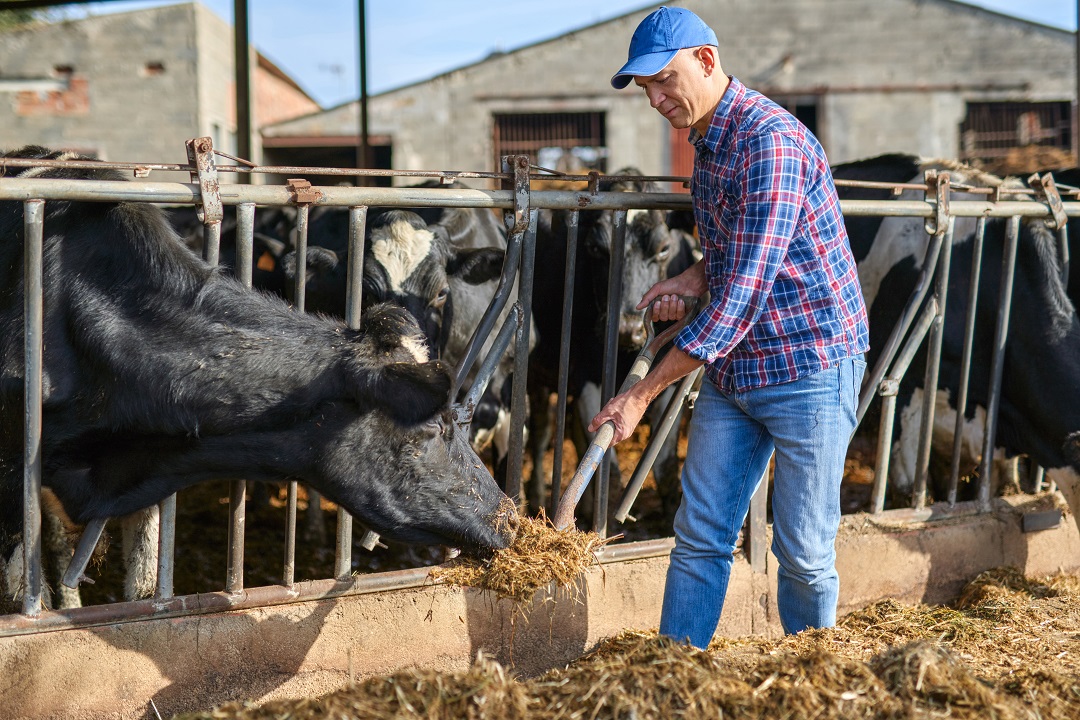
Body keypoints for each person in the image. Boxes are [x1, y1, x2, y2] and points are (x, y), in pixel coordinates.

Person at [591, 5, 869, 648]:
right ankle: (673, 666)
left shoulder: (769, 141)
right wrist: (693, 277)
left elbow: (740, 298)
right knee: (701, 534)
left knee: (801, 550)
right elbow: (739, 251)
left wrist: (639, 394)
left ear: (707, 60)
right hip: (738, 366)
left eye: (664, 80)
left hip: (808, 365)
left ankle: (813, 678)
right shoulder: (710, 142)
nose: (656, 99)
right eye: (645, 89)